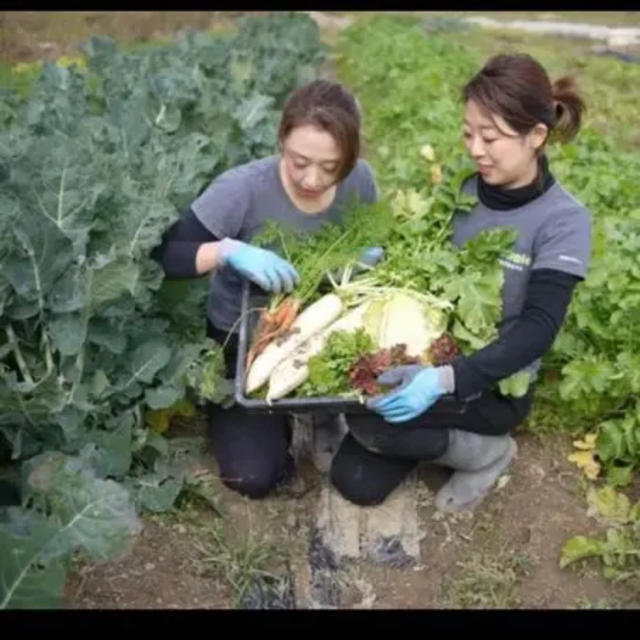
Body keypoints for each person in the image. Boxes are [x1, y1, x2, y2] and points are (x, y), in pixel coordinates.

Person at [329, 53, 592, 513]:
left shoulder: (564, 221)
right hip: (428, 358)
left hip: (490, 385)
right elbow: (427, 266)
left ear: (536, 136)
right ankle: (430, 438)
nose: (475, 149)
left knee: (376, 428)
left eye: (490, 137)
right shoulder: (462, 190)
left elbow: (538, 328)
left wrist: (444, 381)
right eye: (469, 134)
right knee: (353, 479)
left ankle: (490, 453)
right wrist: (385, 262)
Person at [153, 79, 380, 499]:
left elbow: (375, 246)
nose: (312, 178)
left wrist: (369, 257)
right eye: (299, 161)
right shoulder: (241, 189)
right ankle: (281, 418)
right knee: (251, 476)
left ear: (350, 158)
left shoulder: (361, 182)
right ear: (281, 142)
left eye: (331, 167)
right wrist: (225, 251)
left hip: (325, 330)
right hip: (245, 339)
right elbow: (166, 256)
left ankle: (318, 412)